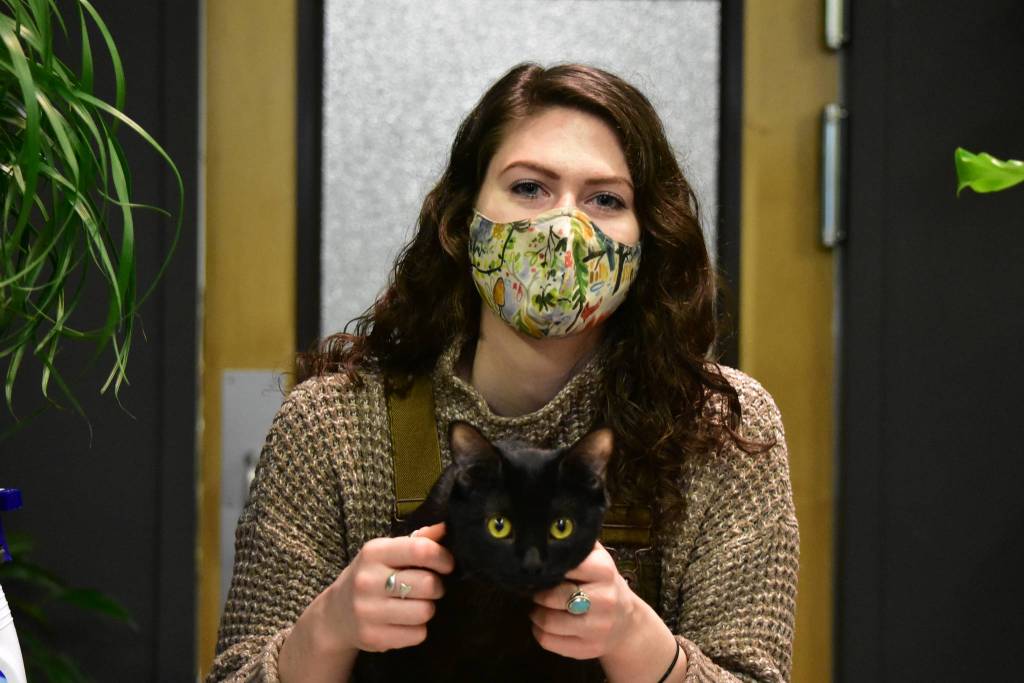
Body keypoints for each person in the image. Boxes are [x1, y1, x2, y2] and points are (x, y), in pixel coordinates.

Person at [207, 62, 799, 683]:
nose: (564, 229)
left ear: (646, 238)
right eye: (529, 188)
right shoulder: (332, 426)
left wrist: (638, 642)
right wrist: (326, 631)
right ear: (462, 223)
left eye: (605, 199)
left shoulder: (719, 427)